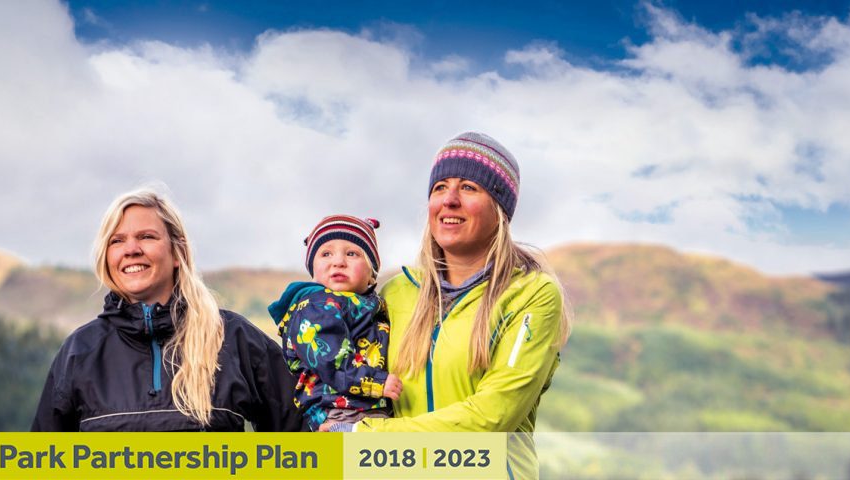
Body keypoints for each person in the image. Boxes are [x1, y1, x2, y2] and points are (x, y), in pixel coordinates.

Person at [325, 132, 571, 479]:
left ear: (499, 207)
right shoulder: (395, 293)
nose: (449, 200)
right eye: (440, 187)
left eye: (469, 187)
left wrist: (362, 436)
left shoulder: (532, 295)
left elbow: (493, 416)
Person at [32, 186, 302, 432]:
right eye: (116, 241)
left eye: (146, 236)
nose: (131, 249)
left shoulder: (233, 338)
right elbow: (40, 464)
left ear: (177, 253)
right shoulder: (80, 351)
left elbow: (305, 444)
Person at [266, 215, 403, 431]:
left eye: (352, 253)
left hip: (367, 407)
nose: (338, 261)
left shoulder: (368, 305)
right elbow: (331, 360)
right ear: (313, 272)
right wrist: (376, 381)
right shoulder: (317, 306)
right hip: (339, 410)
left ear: (372, 275)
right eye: (326, 253)